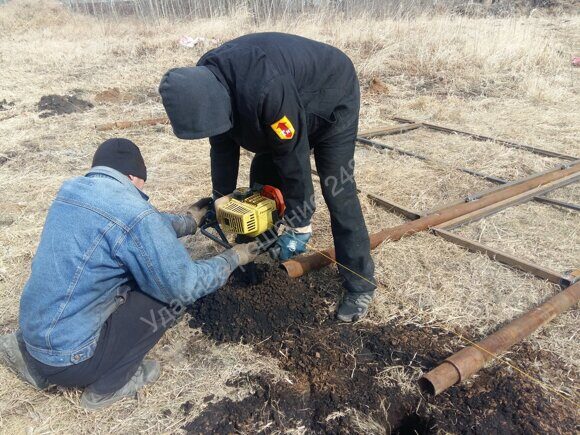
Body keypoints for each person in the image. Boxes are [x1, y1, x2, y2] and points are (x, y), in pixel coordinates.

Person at [0, 138, 258, 410]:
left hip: (34, 337)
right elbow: (184, 284)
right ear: (134, 175)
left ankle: (32, 363)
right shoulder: (134, 213)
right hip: (73, 361)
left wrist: (189, 222)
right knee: (167, 296)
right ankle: (109, 386)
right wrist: (232, 258)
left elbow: (138, 224)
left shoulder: (72, 191)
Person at [159, 32, 376, 322]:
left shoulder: (266, 87)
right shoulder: (204, 80)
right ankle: (259, 252)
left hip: (330, 96)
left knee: (338, 190)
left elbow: (293, 153)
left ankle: (360, 285)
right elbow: (221, 145)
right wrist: (220, 198)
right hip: (285, 104)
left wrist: (300, 222)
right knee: (261, 181)